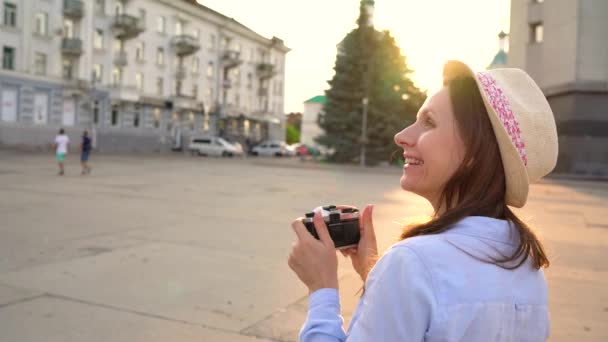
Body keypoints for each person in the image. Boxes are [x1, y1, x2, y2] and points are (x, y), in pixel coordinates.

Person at [288, 60, 558, 341]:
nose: (401, 136)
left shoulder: (413, 263)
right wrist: (375, 274)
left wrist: (322, 290)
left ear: (474, 153)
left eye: (429, 122)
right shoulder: (528, 268)